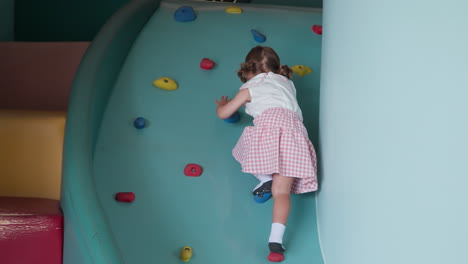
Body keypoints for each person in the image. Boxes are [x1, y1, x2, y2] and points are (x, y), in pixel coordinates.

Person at [215, 46, 318, 262]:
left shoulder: (248, 89)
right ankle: (275, 243)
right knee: (282, 194)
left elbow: (224, 113)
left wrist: (223, 105)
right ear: (278, 69)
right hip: (295, 135)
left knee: (244, 148)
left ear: (248, 72)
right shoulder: (287, 83)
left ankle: (264, 178)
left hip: (268, 131)